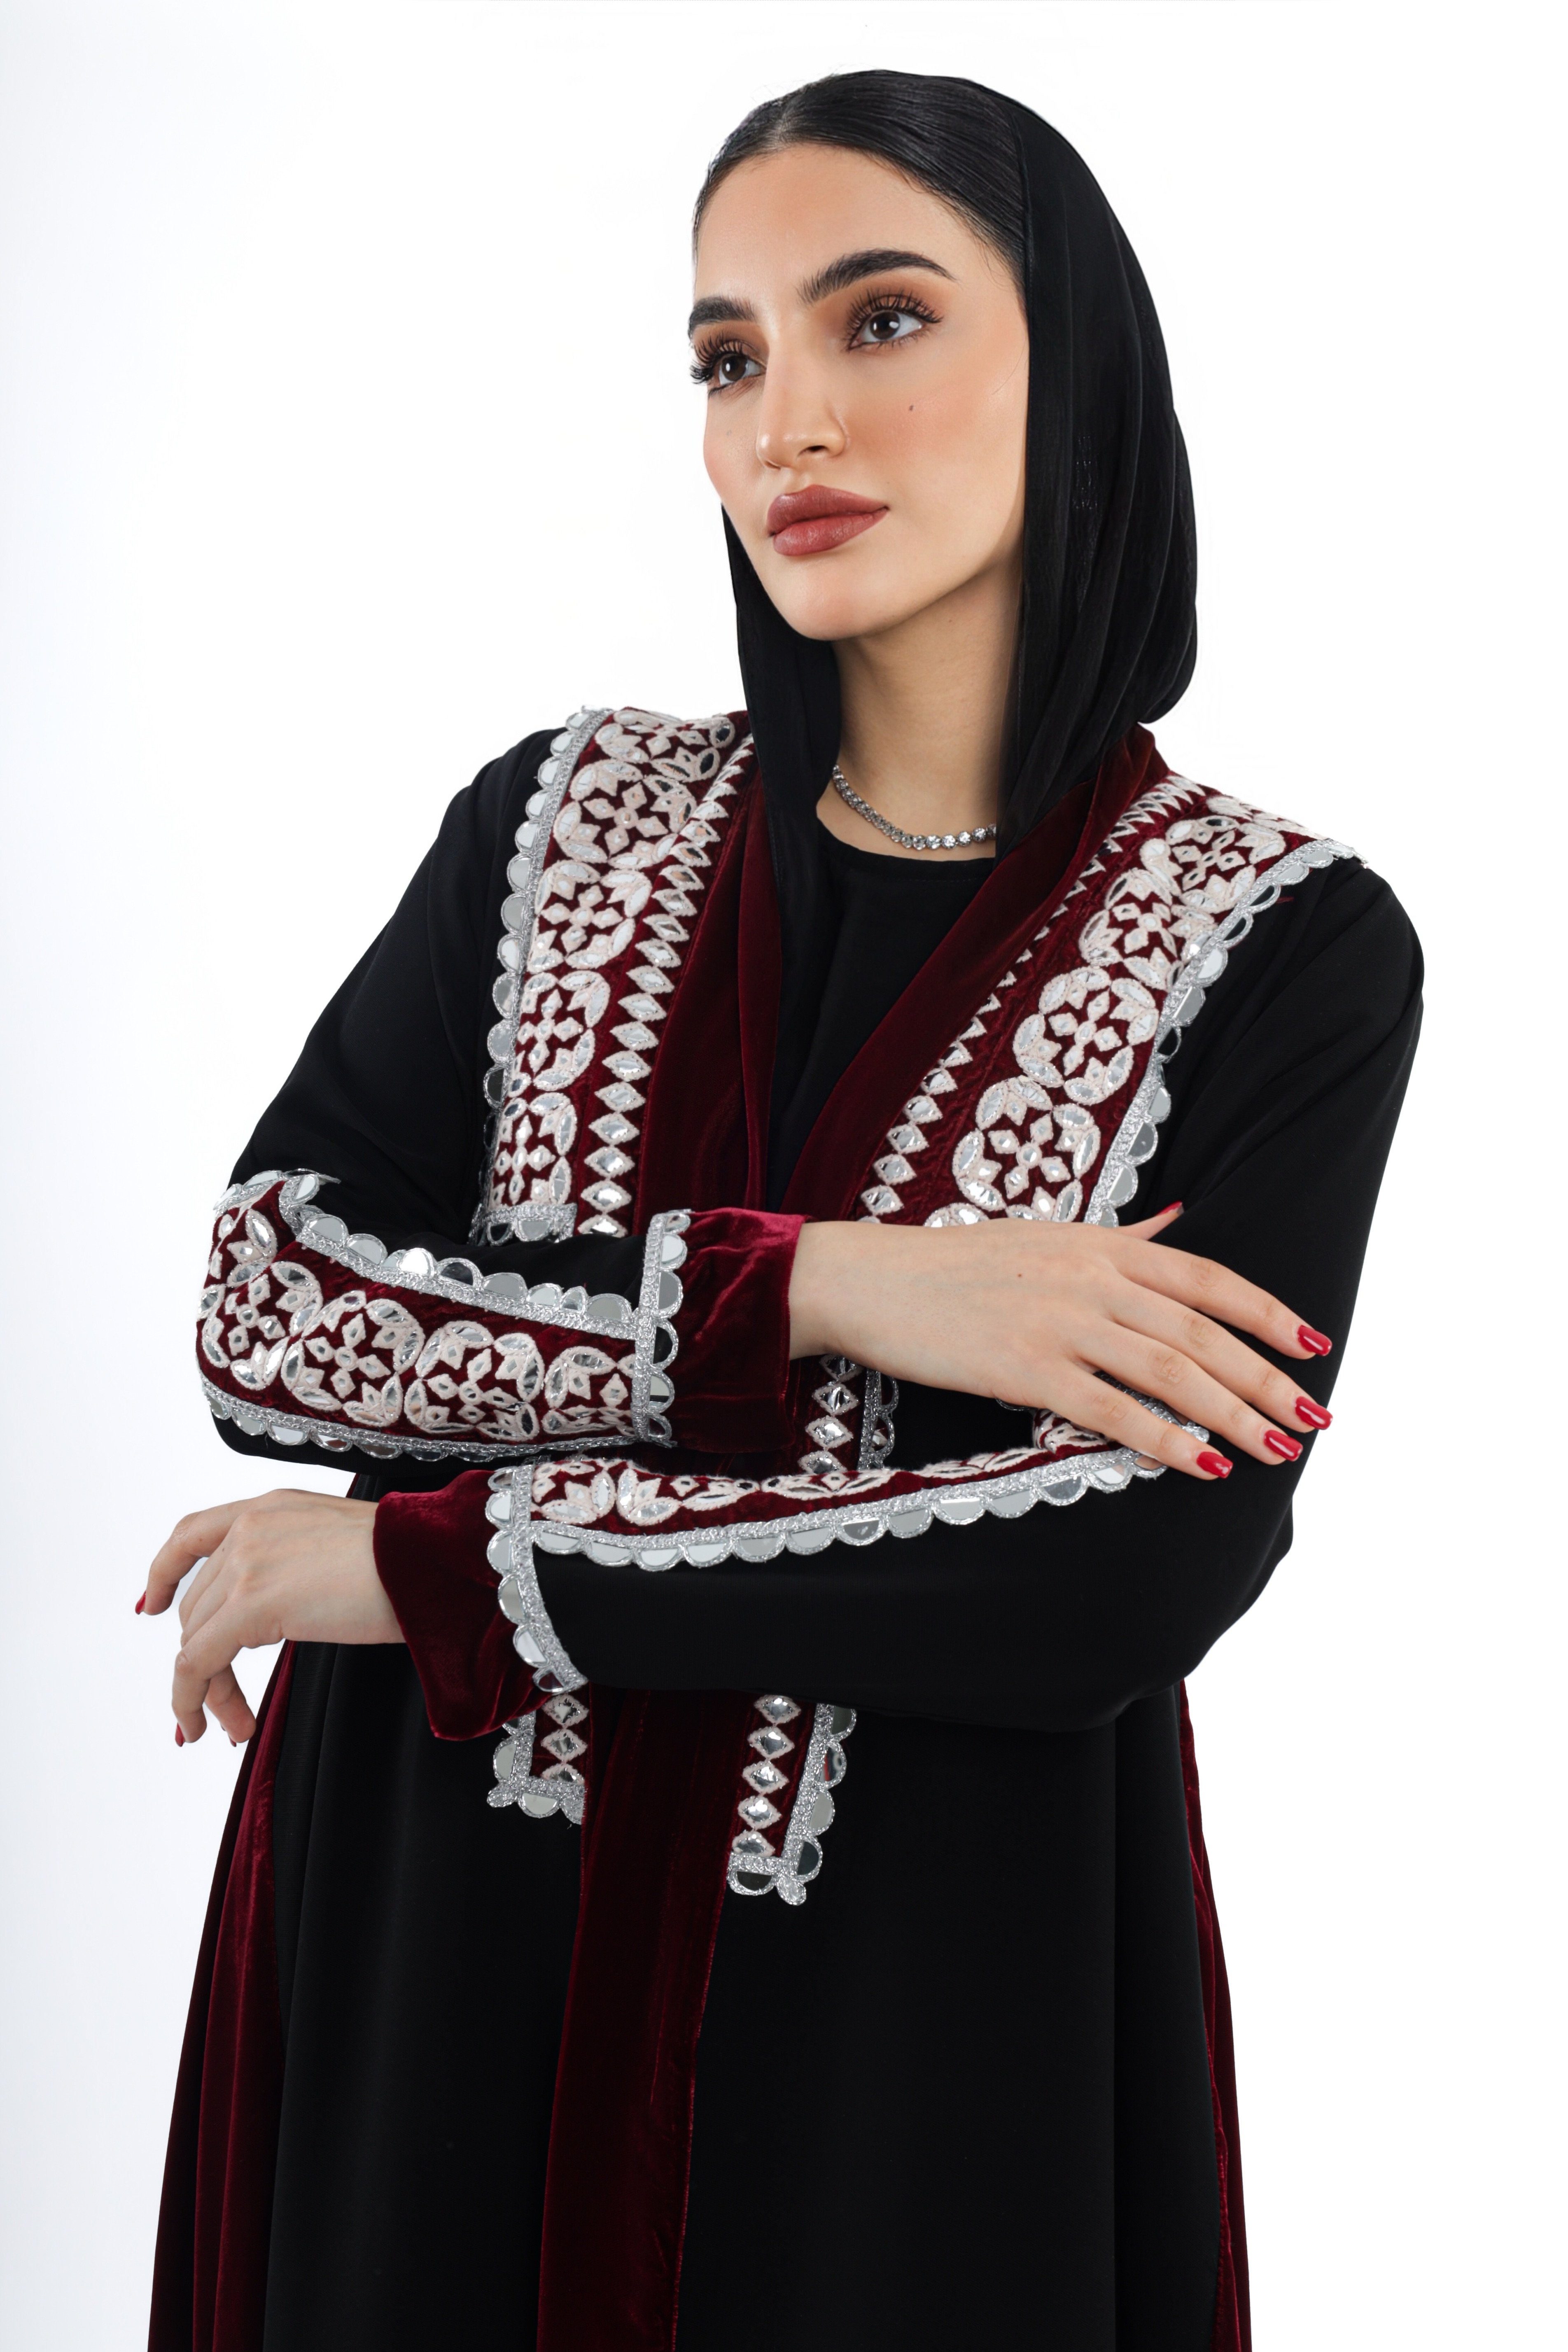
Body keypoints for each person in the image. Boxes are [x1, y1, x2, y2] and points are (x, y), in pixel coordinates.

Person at [142, 70, 1420, 2352]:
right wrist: (835, 1291)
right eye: (728, 357)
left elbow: (1129, 1564)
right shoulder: (561, 823)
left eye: (881, 320)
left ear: (1078, 365)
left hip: (910, 2029)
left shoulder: (1279, 944)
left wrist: (435, 1563)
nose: (786, 423)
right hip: (433, 1951)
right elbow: (273, 1303)